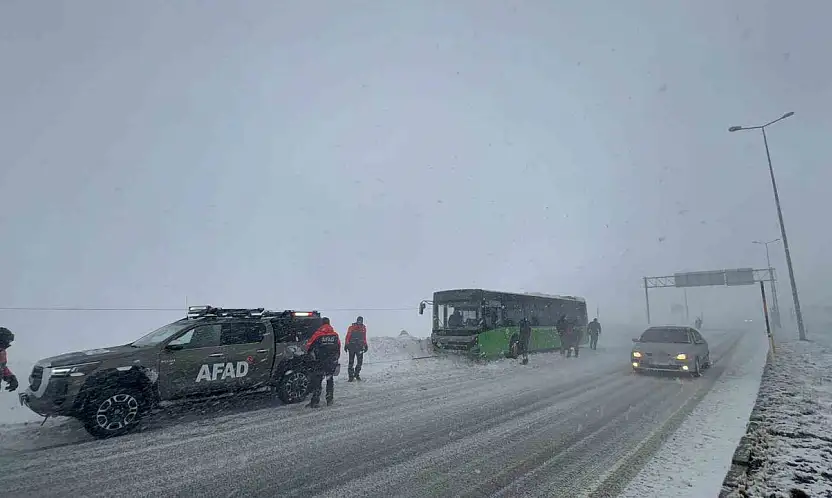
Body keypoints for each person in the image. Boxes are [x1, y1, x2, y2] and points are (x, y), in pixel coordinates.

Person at [304, 317, 341, 407]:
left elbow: (308, 346)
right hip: (331, 361)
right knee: (329, 379)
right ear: (329, 324)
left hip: (319, 361)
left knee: (317, 380)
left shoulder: (318, 334)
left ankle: (315, 401)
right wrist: (335, 358)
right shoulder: (335, 335)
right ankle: (329, 399)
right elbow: (338, 347)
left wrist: (310, 356)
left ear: (321, 324)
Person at [345, 316, 368, 382]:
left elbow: (364, 337)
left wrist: (365, 345)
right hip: (352, 346)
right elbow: (348, 336)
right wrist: (346, 344)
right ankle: (350, 376)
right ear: (357, 320)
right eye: (359, 320)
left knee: (360, 362)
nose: (360, 322)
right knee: (351, 362)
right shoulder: (351, 327)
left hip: (360, 347)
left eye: (361, 321)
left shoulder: (363, 328)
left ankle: (356, 374)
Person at [0, 327, 18, 392]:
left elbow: (2, 367)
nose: (8, 344)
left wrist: (10, 377)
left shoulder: (2, 352)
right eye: (8, 341)